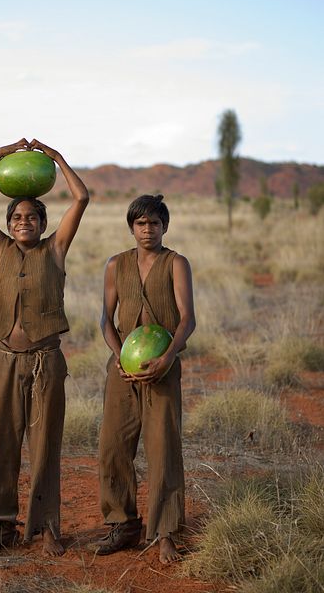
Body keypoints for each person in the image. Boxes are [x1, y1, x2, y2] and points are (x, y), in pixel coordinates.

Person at [0, 137, 89, 557]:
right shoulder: (0, 249)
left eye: (32, 216)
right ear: (10, 222)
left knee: (44, 446)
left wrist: (56, 159)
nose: (24, 222)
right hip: (4, 362)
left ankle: (46, 527)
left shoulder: (55, 250)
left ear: (42, 221)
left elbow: (82, 197)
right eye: (17, 217)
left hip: (46, 363)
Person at [90, 194, 195, 564]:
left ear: (165, 226)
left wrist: (167, 358)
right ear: (131, 227)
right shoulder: (116, 265)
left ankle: (165, 532)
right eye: (140, 223)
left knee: (163, 449)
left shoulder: (176, 263)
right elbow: (106, 319)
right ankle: (122, 523)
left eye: (154, 223)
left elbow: (187, 320)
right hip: (122, 371)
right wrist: (119, 358)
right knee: (113, 446)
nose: (147, 229)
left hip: (162, 370)